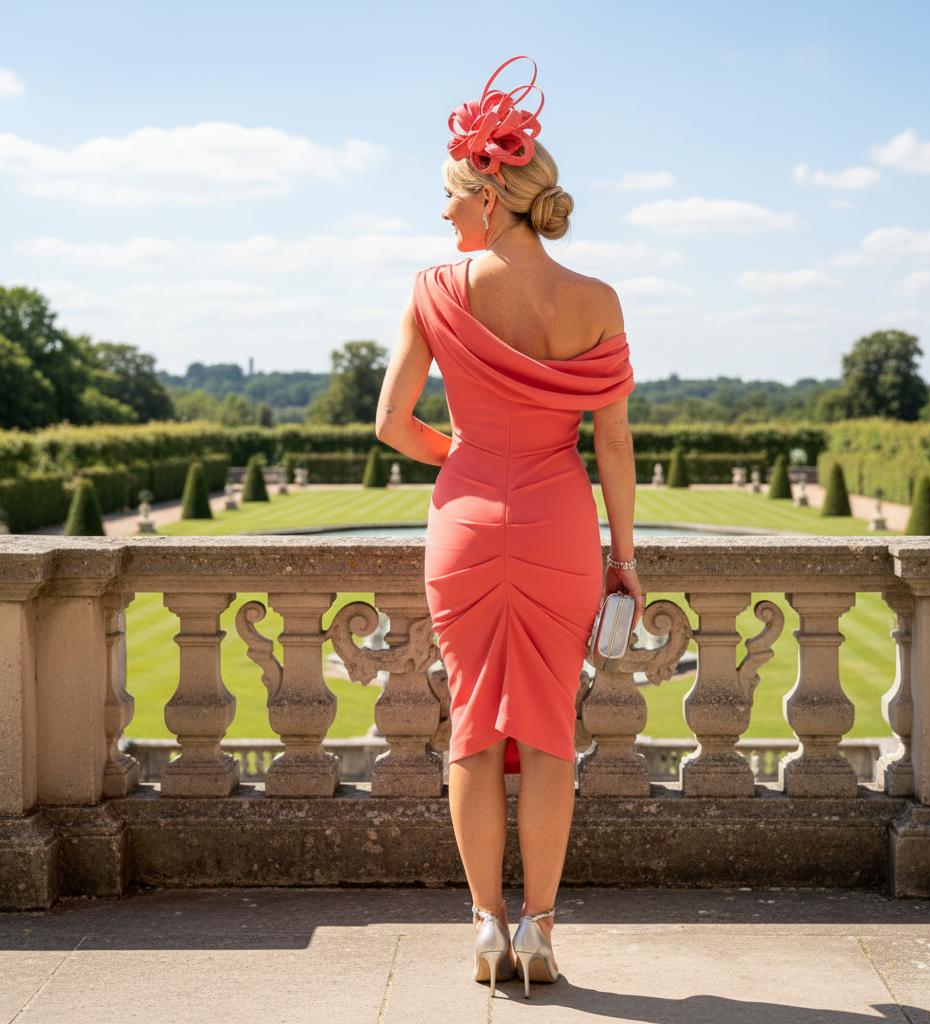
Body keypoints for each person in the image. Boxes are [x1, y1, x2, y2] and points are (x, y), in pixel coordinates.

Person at [375, 55, 644, 998]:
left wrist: (463, 452)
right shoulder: (598, 301)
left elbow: (389, 424)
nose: (444, 214)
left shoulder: (434, 289)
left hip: (466, 515)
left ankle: (486, 924)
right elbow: (612, 446)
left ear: (491, 197)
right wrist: (626, 559)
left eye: (453, 196)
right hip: (560, 523)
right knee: (551, 729)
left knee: (476, 729)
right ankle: (540, 928)